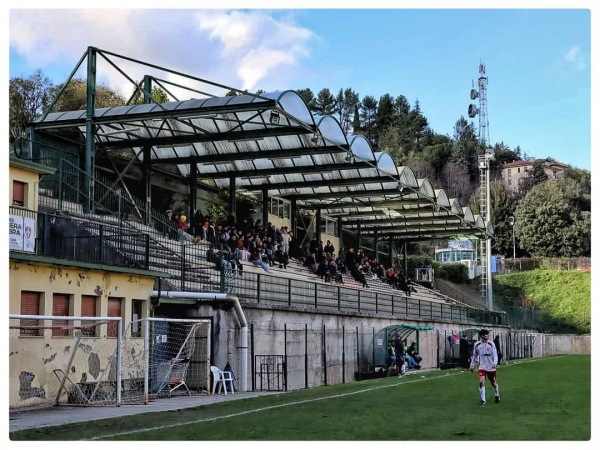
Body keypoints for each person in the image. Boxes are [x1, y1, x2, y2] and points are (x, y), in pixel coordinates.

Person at [469, 329, 501, 405]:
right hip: (482, 366)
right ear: (482, 336)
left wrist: (495, 363)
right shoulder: (477, 344)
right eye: (486, 334)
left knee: (493, 383)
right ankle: (483, 400)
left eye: (488, 334)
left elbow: (495, 354)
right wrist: (472, 365)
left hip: (491, 367)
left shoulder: (491, 344)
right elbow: (474, 355)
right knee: (481, 381)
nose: (487, 335)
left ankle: (497, 394)